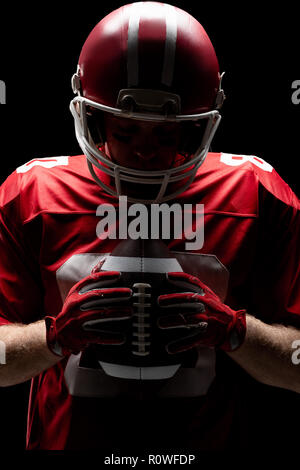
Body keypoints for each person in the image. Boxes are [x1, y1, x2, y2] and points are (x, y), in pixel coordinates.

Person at [0, 1, 299, 452]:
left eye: (166, 134)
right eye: (126, 131)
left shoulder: (255, 192)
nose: (145, 153)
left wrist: (234, 330)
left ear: (199, 126)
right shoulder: (31, 193)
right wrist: (55, 336)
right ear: (95, 117)